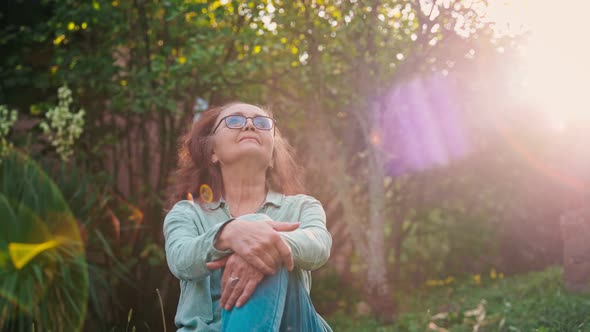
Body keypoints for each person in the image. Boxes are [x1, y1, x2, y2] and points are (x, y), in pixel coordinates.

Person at [163, 102, 333, 331]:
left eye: (262, 123)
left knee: (259, 231)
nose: (250, 126)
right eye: (235, 121)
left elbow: (319, 245)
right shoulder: (187, 212)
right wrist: (226, 235)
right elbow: (180, 259)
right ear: (213, 151)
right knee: (258, 229)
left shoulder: (303, 206)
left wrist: (265, 241)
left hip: (294, 325)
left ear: (273, 156)